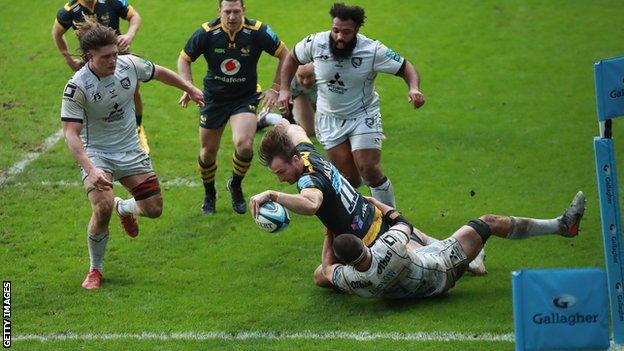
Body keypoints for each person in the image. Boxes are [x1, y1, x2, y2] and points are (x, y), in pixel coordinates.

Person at [61, 17, 204, 290]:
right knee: (101, 208)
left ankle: (124, 207)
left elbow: (159, 72)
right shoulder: (77, 87)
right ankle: (96, 269)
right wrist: (92, 169)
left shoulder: (128, 65)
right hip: (97, 153)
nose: (114, 60)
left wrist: (190, 88)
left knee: (154, 209)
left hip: (129, 148)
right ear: (90, 56)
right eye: (107, 57)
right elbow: (70, 134)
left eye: (115, 53)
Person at [277, 3, 425, 208]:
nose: (339, 36)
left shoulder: (372, 50)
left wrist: (413, 88)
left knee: (369, 168)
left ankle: (392, 220)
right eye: (335, 30)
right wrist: (284, 89)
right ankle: (366, 203)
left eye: (346, 32)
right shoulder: (316, 42)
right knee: (352, 179)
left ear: (356, 31)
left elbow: (405, 66)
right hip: (329, 118)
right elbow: (293, 57)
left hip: (362, 115)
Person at [314, 191, 586, 298]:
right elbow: (400, 220)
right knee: (487, 222)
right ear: (366, 247)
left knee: (320, 276)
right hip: (442, 265)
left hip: (424, 289)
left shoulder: (352, 280)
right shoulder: (387, 245)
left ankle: (474, 263)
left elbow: (325, 271)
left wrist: (329, 236)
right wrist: (376, 204)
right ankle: (561, 226)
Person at [177, 0, 289, 215]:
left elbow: (285, 54)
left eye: (236, 11)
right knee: (208, 152)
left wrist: (275, 88)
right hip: (213, 99)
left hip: (244, 96)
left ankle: (235, 185)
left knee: (244, 145)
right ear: (219, 11)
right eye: (227, 12)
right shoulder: (207, 32)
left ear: (243, 11)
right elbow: (184, 59)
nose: (231, 17)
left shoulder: (258, 31)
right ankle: (209, 194)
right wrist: (188, 87)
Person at [52, 0, 152, 154]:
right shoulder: (69, 10)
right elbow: (57, 33)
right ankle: (97, 140)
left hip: (120, 55)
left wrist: (129, 35)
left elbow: (135, 16)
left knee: (133, 91)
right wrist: (68, 59)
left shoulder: (112, 2)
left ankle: (138, 129)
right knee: (93, 98)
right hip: (94, 63)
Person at [257, 63, 317, 136]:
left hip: (317, 91)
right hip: (297, 94)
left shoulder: (326, 77)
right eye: (301, 76)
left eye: (310, 76)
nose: (305, 81)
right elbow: (286, 112)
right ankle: (268, 118)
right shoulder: (289, 79)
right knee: (307, 131)